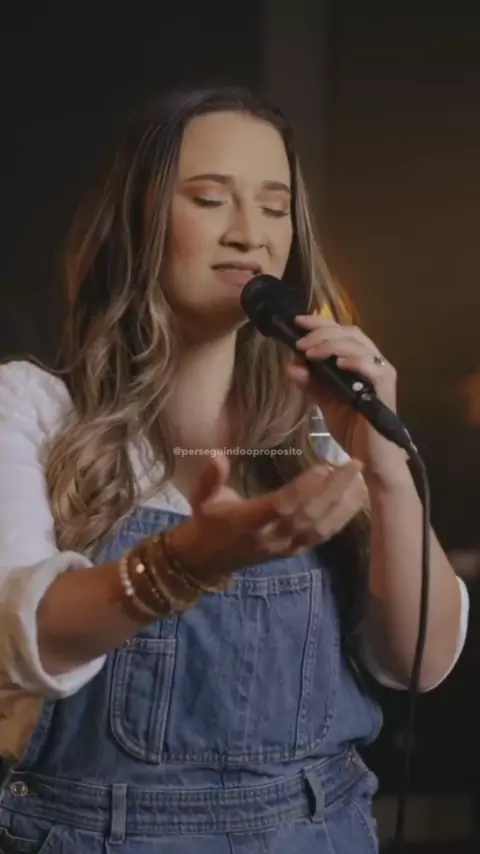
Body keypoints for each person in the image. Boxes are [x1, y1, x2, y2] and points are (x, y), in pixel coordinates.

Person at [0, 86, 468, 854]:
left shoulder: (319, 429)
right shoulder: (32, 409)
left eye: (275, 208)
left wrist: (386, 470)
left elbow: (418, 660)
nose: (250, 234)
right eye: (211, 199)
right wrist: (191, 560)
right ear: (138, 223)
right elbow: (25, 643)